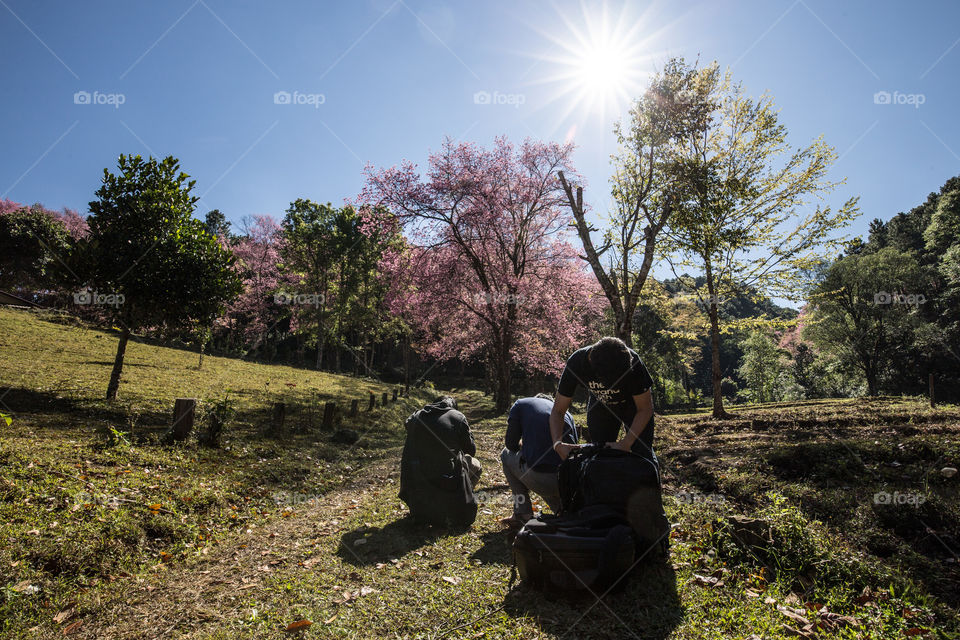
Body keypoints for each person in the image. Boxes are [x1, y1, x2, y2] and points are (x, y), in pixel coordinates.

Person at [549, 336, 657, 463]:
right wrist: (558, 444)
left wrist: (626, 443)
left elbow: (645, 408)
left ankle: (647, 479)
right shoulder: (577, 363)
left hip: (633, 406)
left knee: (642, 453)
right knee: (600, 454)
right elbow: (558, 410)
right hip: (600, 405)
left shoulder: (633, 362)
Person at [500, 393, 577, 526]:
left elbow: (511, 445)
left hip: (541, 478)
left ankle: (523, 513)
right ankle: (563, 512)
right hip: (569, 483)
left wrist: (524, 445)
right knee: (544, 461)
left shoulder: (521, 404)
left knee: (505, 454)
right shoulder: (567, 414)